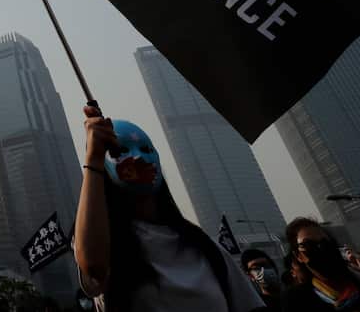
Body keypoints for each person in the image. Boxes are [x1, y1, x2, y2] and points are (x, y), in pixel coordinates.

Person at [73, 107, 264, 312]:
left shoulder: (205, 248)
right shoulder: (109, 245)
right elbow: (92, 265)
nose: (137, 158)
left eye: (146, 150)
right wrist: (93, 159)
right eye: (121, 151)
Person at [281, 218, 360, 311]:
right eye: (308, 245)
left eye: (324, 242)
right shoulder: (296, 300)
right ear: (298, 256)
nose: (320, 248)